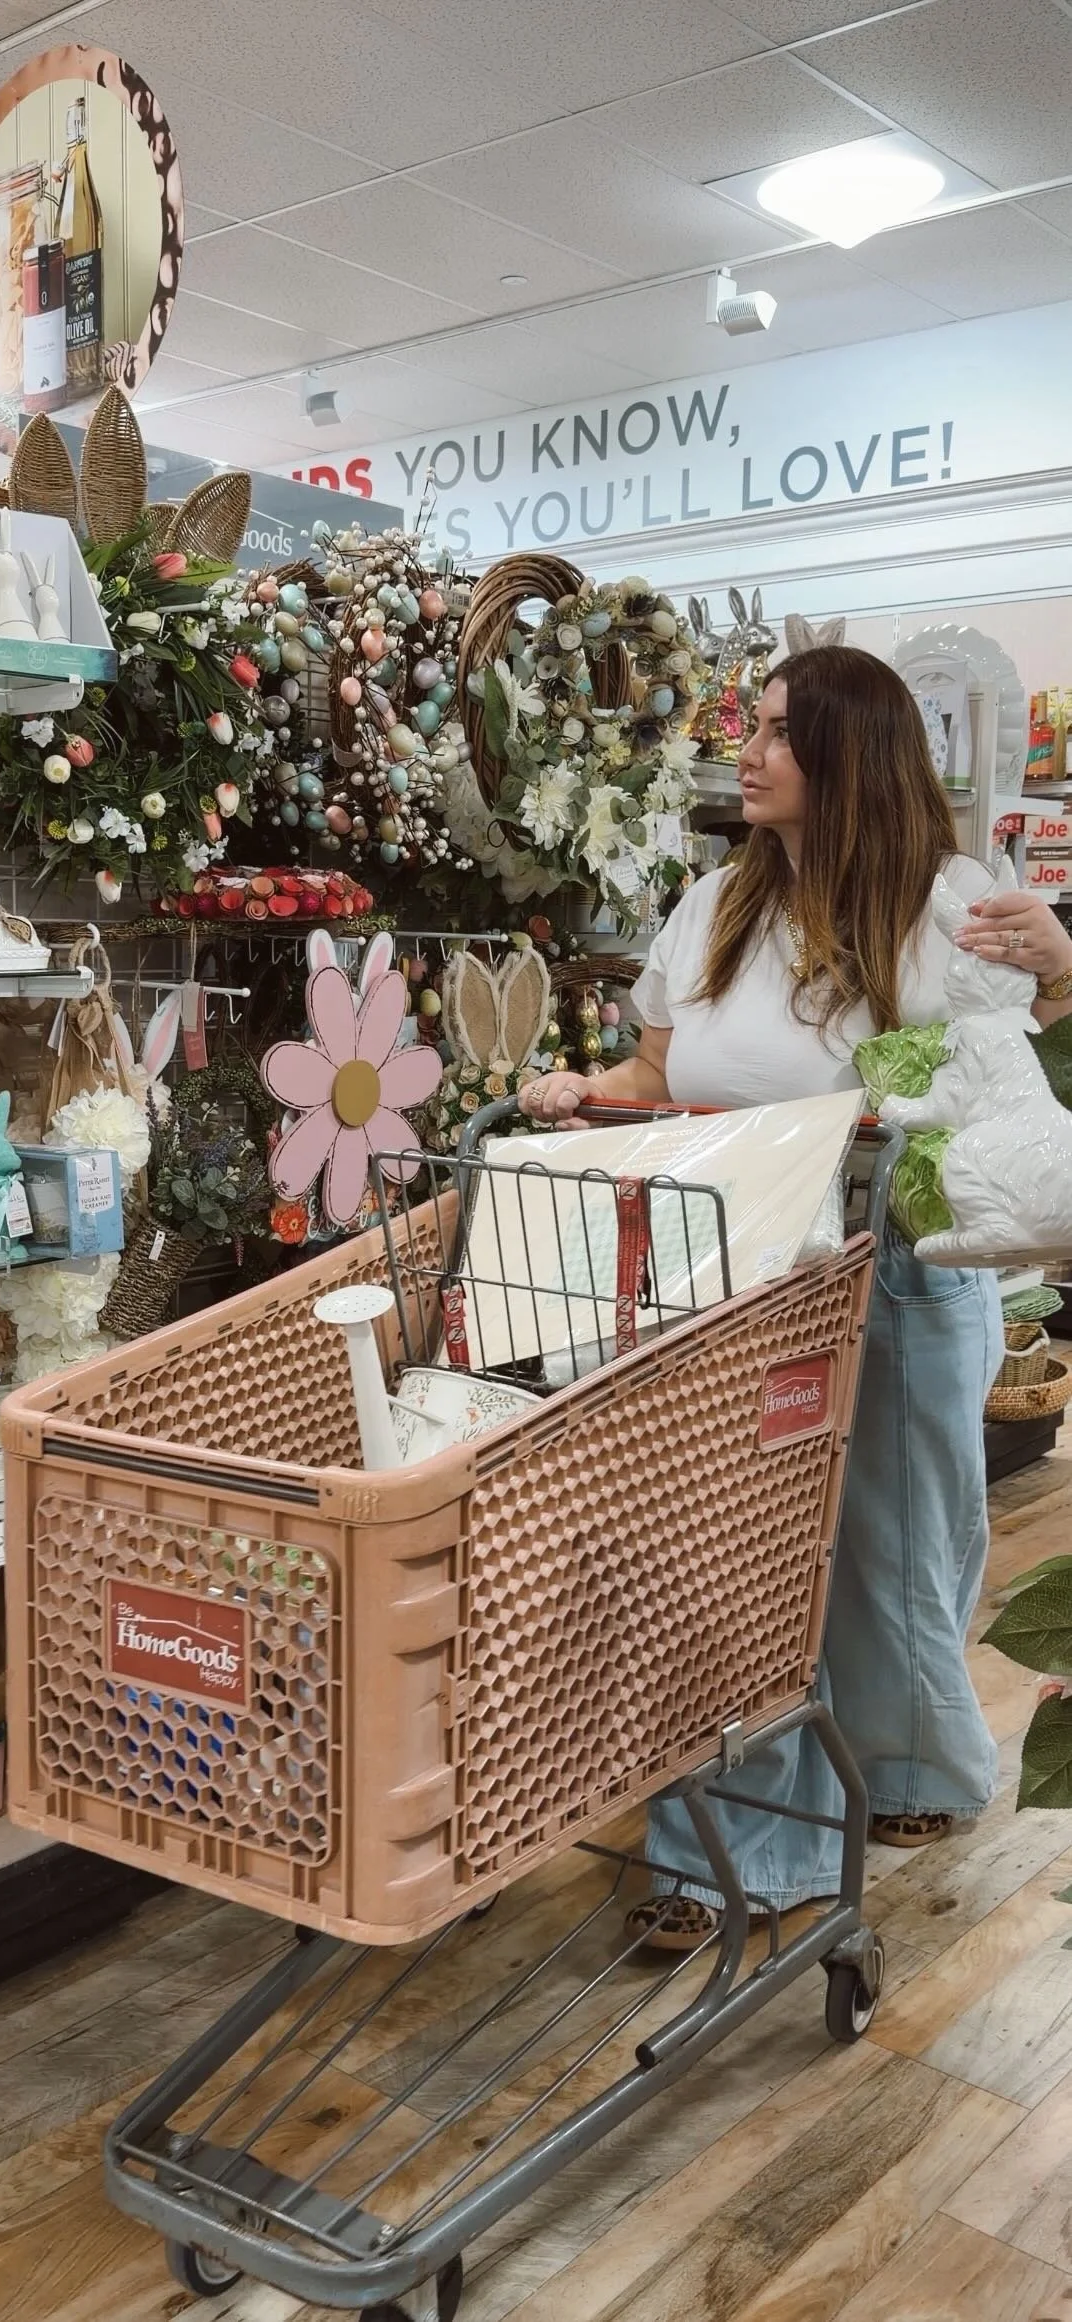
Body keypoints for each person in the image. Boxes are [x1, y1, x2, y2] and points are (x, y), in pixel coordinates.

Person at [520, 645, 1072, 1946]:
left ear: (848, 754)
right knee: (747, 1561)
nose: (750, 752)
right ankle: (749, 1841)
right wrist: (587, 1094)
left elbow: (1024, 1076)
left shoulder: (943, 904)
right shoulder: (716, 904)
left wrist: (1060, 968)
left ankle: (912, 1765)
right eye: (754, 727)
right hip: (739, 1267)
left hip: (896, 1260)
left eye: (778, 732)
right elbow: (660, 1072)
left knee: (897, 1542)